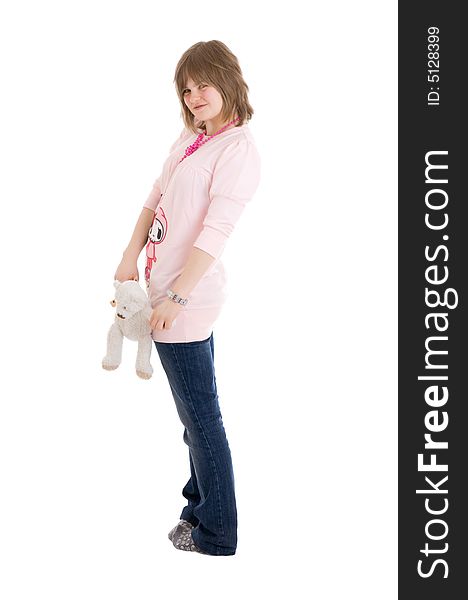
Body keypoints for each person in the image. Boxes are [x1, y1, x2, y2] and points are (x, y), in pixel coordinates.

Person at [114, 40, 261, 556]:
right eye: (187, 88)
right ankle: (197, 506)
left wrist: (175, 295)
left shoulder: (237, 150)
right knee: (195, 415)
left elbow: (215, 233)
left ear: (226, 80)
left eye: (202, 84)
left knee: (201, 418)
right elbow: (155, 196)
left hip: (186, 300)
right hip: (160, 288)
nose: (194, 95)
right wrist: (130, 256)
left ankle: (217, 533)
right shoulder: (193, 136)